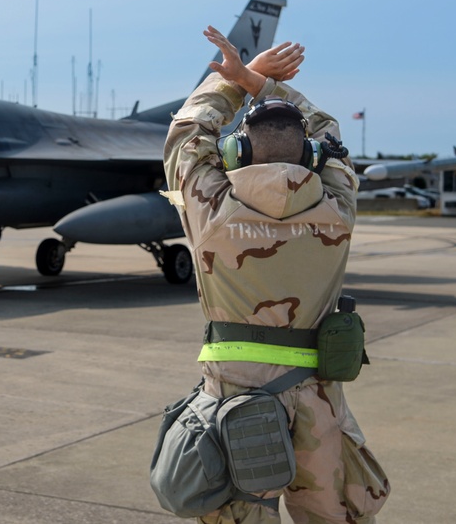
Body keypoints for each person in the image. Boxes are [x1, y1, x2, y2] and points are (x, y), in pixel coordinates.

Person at [163, 26, 390, 524]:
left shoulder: (209, 209)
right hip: (318, 398)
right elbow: (329, 133)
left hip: (234, 401)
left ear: (236, 155)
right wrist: (260, 84)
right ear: (312, 156)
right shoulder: (338, 208)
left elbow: (185, 132)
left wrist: (233, 80)